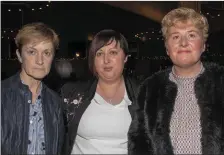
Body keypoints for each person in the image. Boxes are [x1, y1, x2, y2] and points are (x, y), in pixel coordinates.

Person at [128, 7, 224, 155]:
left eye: (191, 35)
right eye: (175, 37)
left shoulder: (221, 82)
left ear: (203, 45)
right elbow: (138, 144)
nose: (183, 43)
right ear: (167, 48)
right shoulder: (150, 89)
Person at [60, 29, 138, 154]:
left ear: (125, 58)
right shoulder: (71, 94)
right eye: (99, 54)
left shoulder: (143, 95)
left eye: (113, 52)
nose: (106, 60)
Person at [1, 22, 64, 154]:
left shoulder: (56, 102)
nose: (40, 61)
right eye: (32, 52)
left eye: (47, 53)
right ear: (19, 55)